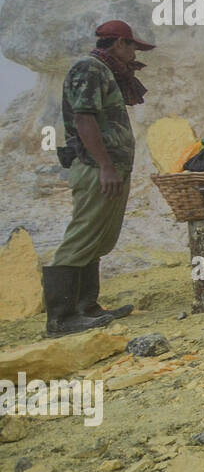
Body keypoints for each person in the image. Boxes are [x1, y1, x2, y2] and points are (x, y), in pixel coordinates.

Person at [42, 19, 154, 335]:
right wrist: (105, 166)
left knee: (98, 237)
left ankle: (86, 308)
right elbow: (83, 119)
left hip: (110, 166)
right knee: (83, 234)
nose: (135, 53)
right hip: (95, 167)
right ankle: (61, 319)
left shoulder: (105, 72)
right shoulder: (89, 68)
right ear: (119, 43)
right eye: (133, 46)